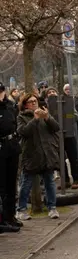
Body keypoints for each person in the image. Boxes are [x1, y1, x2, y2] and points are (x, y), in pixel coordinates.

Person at [16, 93, 60, 220]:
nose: (34, 103)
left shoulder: (44, 113)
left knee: (49, 182)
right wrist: (35, 119)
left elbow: (56, 128)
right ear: (25, 105)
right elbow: (23, 132)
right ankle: (21, 209)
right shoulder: (21, 117)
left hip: (47, 154)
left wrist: (47, 118)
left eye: (35, 101)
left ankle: (52, 208)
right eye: (30, 101)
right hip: (31, 155)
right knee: (26, 183)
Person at [0, 83, 21, 232]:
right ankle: (3, 218)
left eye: (2, 91)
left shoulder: (10, 106)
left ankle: (11, 215)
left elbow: (14, 122)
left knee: (11, 183)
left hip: (11, 145)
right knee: (2, 184)